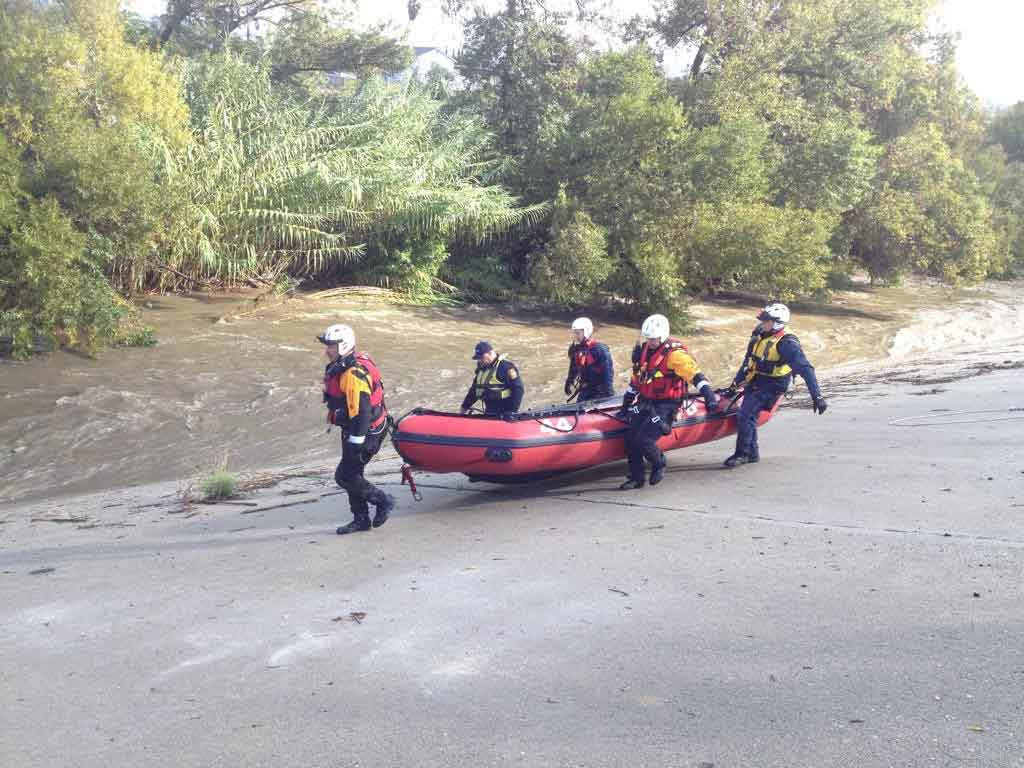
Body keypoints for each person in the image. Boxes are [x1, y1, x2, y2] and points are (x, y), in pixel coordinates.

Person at [619, 314, 720, 490]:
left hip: (667, 404)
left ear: (663, 336)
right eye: (648, 338)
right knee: (630, 437)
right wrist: (626, 402)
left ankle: (659, 462)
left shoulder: (675, 355)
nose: (650, 342)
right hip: (646, 400)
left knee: (645, 440)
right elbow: (638, 378)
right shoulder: (644, 350)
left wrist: (709, 395)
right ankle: (637, 477)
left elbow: (695, 376)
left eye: (654, 339)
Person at [723, 303, 828, 468]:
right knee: (747, 414)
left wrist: (817, 397)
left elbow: (806, 369)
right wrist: (735, 384)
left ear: (778, 322)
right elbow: (748, 361)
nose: (762, 323)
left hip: (774, 384)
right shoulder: (760, 333)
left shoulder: (787, 344)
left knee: (746, 414)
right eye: (763, 319)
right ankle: (752, 453)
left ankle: (742, 454)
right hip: (757, 379)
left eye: (766, 320)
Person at [319, 324, 395, 535]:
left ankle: (383, 500)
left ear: (343, 346)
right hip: (356, 429)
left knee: (344, 476)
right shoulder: (345, 365)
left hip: (365, 432)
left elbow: (362, 413)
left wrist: (355, 441)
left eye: (331, 346)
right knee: (353, 473)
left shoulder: (353, 374)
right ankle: (361, 519)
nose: (327, 350)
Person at [460, 341, 524, 416]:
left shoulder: (505, 367)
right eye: (478, 358)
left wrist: (512, 412)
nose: (479, 360)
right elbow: (474, 391)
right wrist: (464, 407)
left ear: (490, 353)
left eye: (481, 358)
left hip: (504, 412)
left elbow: (518, 390)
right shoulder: (482, 369)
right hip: (490, 412)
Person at [564, 317, 614, 402]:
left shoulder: (600, 350)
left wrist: (608, 395)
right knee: (579, 408)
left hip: (600, 391)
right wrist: (569, 382)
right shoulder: (576, 349)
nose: (575, 336)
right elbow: (573, 368)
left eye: (578, 333)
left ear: (586, 332)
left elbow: (608, 374)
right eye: (574, 333)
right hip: (586, 389)